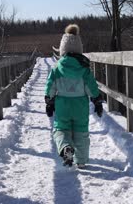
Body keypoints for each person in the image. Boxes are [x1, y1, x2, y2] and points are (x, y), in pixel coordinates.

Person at [45, 24, 103, 168]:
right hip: (80, 106)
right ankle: (81, 162)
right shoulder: (84, 69)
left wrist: (49, 101)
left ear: (62, 50)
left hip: (62, 105)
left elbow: (50, 86)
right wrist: (97, 101)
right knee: (81, 132)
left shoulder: (57, 68)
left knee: (60, 129)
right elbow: (92, 87)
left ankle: (66, 148)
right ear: (79, 49)